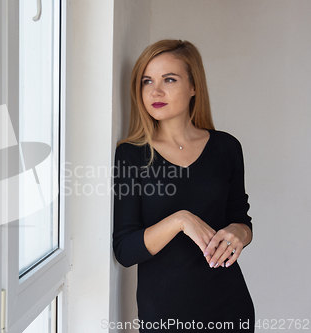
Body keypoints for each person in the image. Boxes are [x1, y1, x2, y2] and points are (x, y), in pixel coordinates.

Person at [112, 39, 255, 332]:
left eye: (170, 79)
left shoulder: (226, 148)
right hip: (165, 316)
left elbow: (241, 220)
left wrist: (238, 233)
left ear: (193, 87)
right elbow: (125, 250)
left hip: (230, 308)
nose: (156, 91)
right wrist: (180, 220)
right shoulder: (131, 154)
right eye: (147, 81)